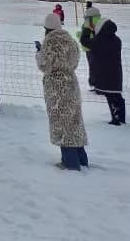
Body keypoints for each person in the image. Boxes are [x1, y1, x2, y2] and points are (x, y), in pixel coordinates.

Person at [37, 12, 89, 169]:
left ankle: (70, 163)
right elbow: (75, 62)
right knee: (74, 122)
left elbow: (44, 65)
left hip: (56, 88)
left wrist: (39, 53)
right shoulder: (71, 41)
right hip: (71, 84)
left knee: (62, 124)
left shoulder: (49, 43)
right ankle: (82, 159)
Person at [87, 19, 125, 125]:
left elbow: (87, 42)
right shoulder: (117, 40)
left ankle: (116, 119)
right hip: (116, 73)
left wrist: (89, 31)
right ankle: (121, 117)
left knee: (110, 96)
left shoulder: (99, 40)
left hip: (104, 74)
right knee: (117, 96)